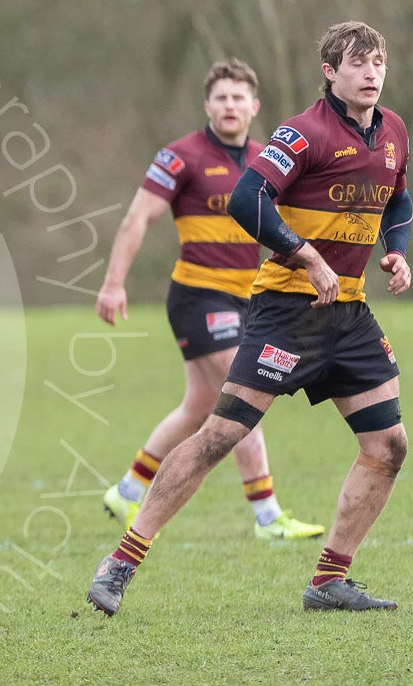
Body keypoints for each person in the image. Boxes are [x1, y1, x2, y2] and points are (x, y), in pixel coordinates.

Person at [88, 21, 413, 616]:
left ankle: (329, 581)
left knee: (388, 444)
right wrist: (305, 255)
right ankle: (121, 561)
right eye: (358, 63)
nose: (371, 73)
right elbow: (246, 198)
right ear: (330, 72)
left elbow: (398, 198)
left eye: (378, 63)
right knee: (221, 433)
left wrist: (396, 249)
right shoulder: (302, 132)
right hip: (286, 311)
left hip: (349, 313)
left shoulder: (393, 131)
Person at [96, 60, 324, 541]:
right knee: (247, 389)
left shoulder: (267, 160)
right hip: (198, 297)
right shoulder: (180, 157)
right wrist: (114, 282)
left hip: (247, 299)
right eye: (221, 97)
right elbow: (138, 218)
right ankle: (267, 517)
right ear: (207, 105)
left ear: (254, 107)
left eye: (239, 98)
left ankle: (127, 489)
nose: (230, 106)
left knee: (198, 407)